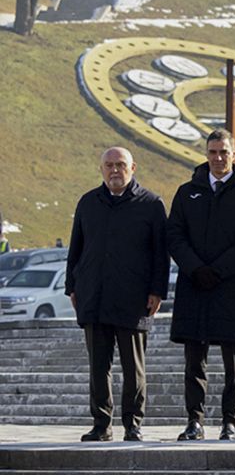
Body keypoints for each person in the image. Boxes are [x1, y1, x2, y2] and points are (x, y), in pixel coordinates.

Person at [165, 130, 235, 441]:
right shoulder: (187, 192)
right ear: (206, 153)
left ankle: (230, 422)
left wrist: (219, 270)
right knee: (194, 360)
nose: (218, 158)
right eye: (213, 152)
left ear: (234, 154)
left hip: (232, 288)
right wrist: (196, 268)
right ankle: (194, 421)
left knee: (234, 362)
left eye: (224, 152)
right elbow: (174, 235)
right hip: (194, 285)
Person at [67, 147, 168, 442]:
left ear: (133, 167)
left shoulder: (151, 204)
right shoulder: (88, 202)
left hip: (134, 299)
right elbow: (76, 250)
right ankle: (101, 424)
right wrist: (72, 286)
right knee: (99, 366)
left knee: (133, 366)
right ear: (101, 169)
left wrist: (157, 290)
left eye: (120, 165)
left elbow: (161, 256)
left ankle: (133, 423)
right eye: (109, 165)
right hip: (94, 296)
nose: (114, 170)